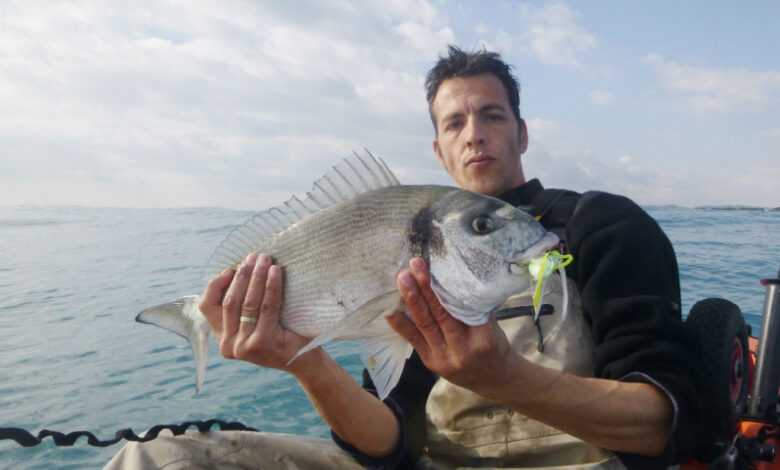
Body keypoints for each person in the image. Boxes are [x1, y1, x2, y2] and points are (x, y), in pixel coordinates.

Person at [105, 46, 701, 470]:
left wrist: (504, 377)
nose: (475, 134)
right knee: (152, 459)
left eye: (492, 116)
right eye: (455, 122)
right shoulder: (413, 249)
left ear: (521, 133)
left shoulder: (603, 225)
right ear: (439, 150)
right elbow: (387, 446)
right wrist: (303, 363)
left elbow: (666, 423)